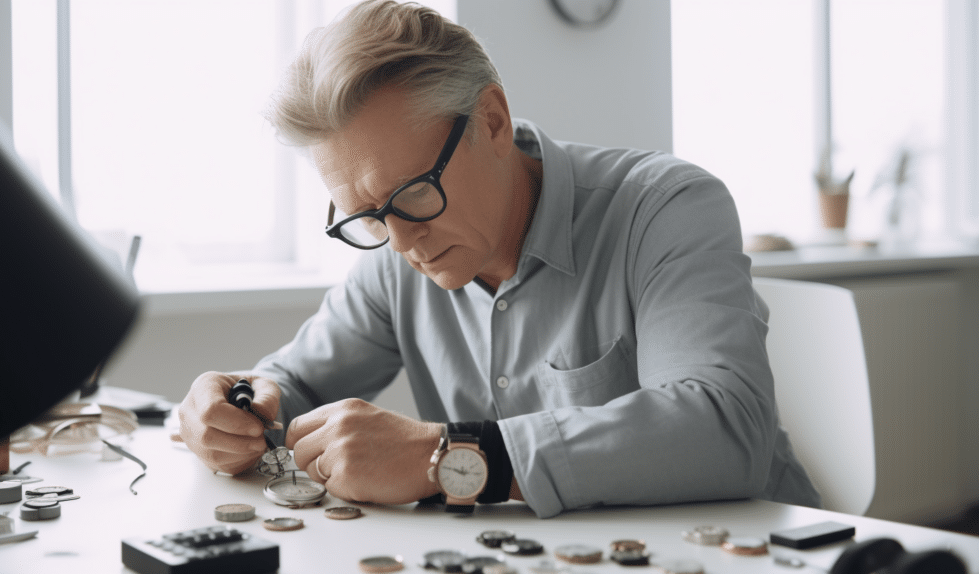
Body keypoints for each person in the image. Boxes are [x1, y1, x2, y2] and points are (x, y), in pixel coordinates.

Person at [178, 0, 821, 519]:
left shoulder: (667, 206)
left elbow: (722, 430)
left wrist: (451, 455)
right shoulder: (393, 248)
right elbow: (295, 387)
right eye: (367, 217)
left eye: (414, 195)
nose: (401, 242)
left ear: (491, 119)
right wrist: (233, 411)